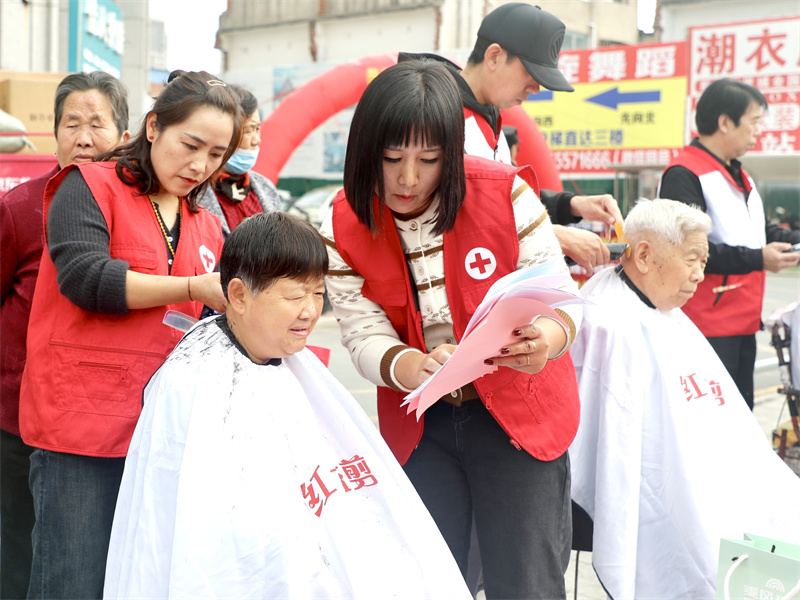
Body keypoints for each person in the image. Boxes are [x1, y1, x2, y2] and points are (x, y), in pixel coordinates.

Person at [103, 212, 470, 599]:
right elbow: (211, 542)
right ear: (240, 296)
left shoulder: (289, 358)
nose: (310, 310)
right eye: (295, 295)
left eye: (317, 293)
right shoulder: (194, 380)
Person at [319, 60, 582, 599]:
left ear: (453, 156)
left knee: (526, 581)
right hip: (422, 423)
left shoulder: (505, 194)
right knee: (429, 580)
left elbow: (562, 297)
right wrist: (412, 365)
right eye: (391, 159)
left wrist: (548, 339)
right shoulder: (342, 219)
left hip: (517, 415)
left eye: (429, 160)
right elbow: (359, 329)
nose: (407, 178)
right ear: (365, 151)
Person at [18, 70, 242, 599]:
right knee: (71, 583)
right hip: (82, 431)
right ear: (153, 125)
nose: (199, 166)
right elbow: (86, 278)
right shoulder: (88, 185)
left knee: (141, 583)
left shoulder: (207, 224)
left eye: (215, 155)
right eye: (190, 145)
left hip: (162, 433)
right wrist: (189, 285)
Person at [568, 198, 800, 598]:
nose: (699, 274)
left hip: (709, 470)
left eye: (704, 262)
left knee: (770, 503)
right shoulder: (610, 322)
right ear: (643, 255)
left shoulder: (662, 309)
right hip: (672, 486)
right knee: (703, 529)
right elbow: (623, 452)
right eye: (693, 259)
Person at [0, 71, 130, 600]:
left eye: (96, 124)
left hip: (104, 424)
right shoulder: (20, 208)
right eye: (70, 124)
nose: (82, 137)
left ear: (124, 133)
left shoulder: (140, 207)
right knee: (17, 554)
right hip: (15, 422)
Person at [399, 2, 623, 274]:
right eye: (531, 74)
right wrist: (552, 234)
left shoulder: (489, 118)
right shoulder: (432, 114)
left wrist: (571, 205)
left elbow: (503, 199)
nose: (536, 88)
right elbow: (443, 211)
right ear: (494, 56)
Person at [659, 79, 800, 410]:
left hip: (742, 319)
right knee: (709, 420)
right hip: (705, 324)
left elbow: (760, 232)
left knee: (740, 415)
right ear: (725, 123)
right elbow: (687, 250)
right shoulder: (685, 173)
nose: (757, 132)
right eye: (754, 122)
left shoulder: (739, 174)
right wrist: (757, 259)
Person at [198, 84, 281, 237]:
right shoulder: (193, 189)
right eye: (249, 130)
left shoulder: (266, 188)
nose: (257, 140)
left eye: (258, 129)